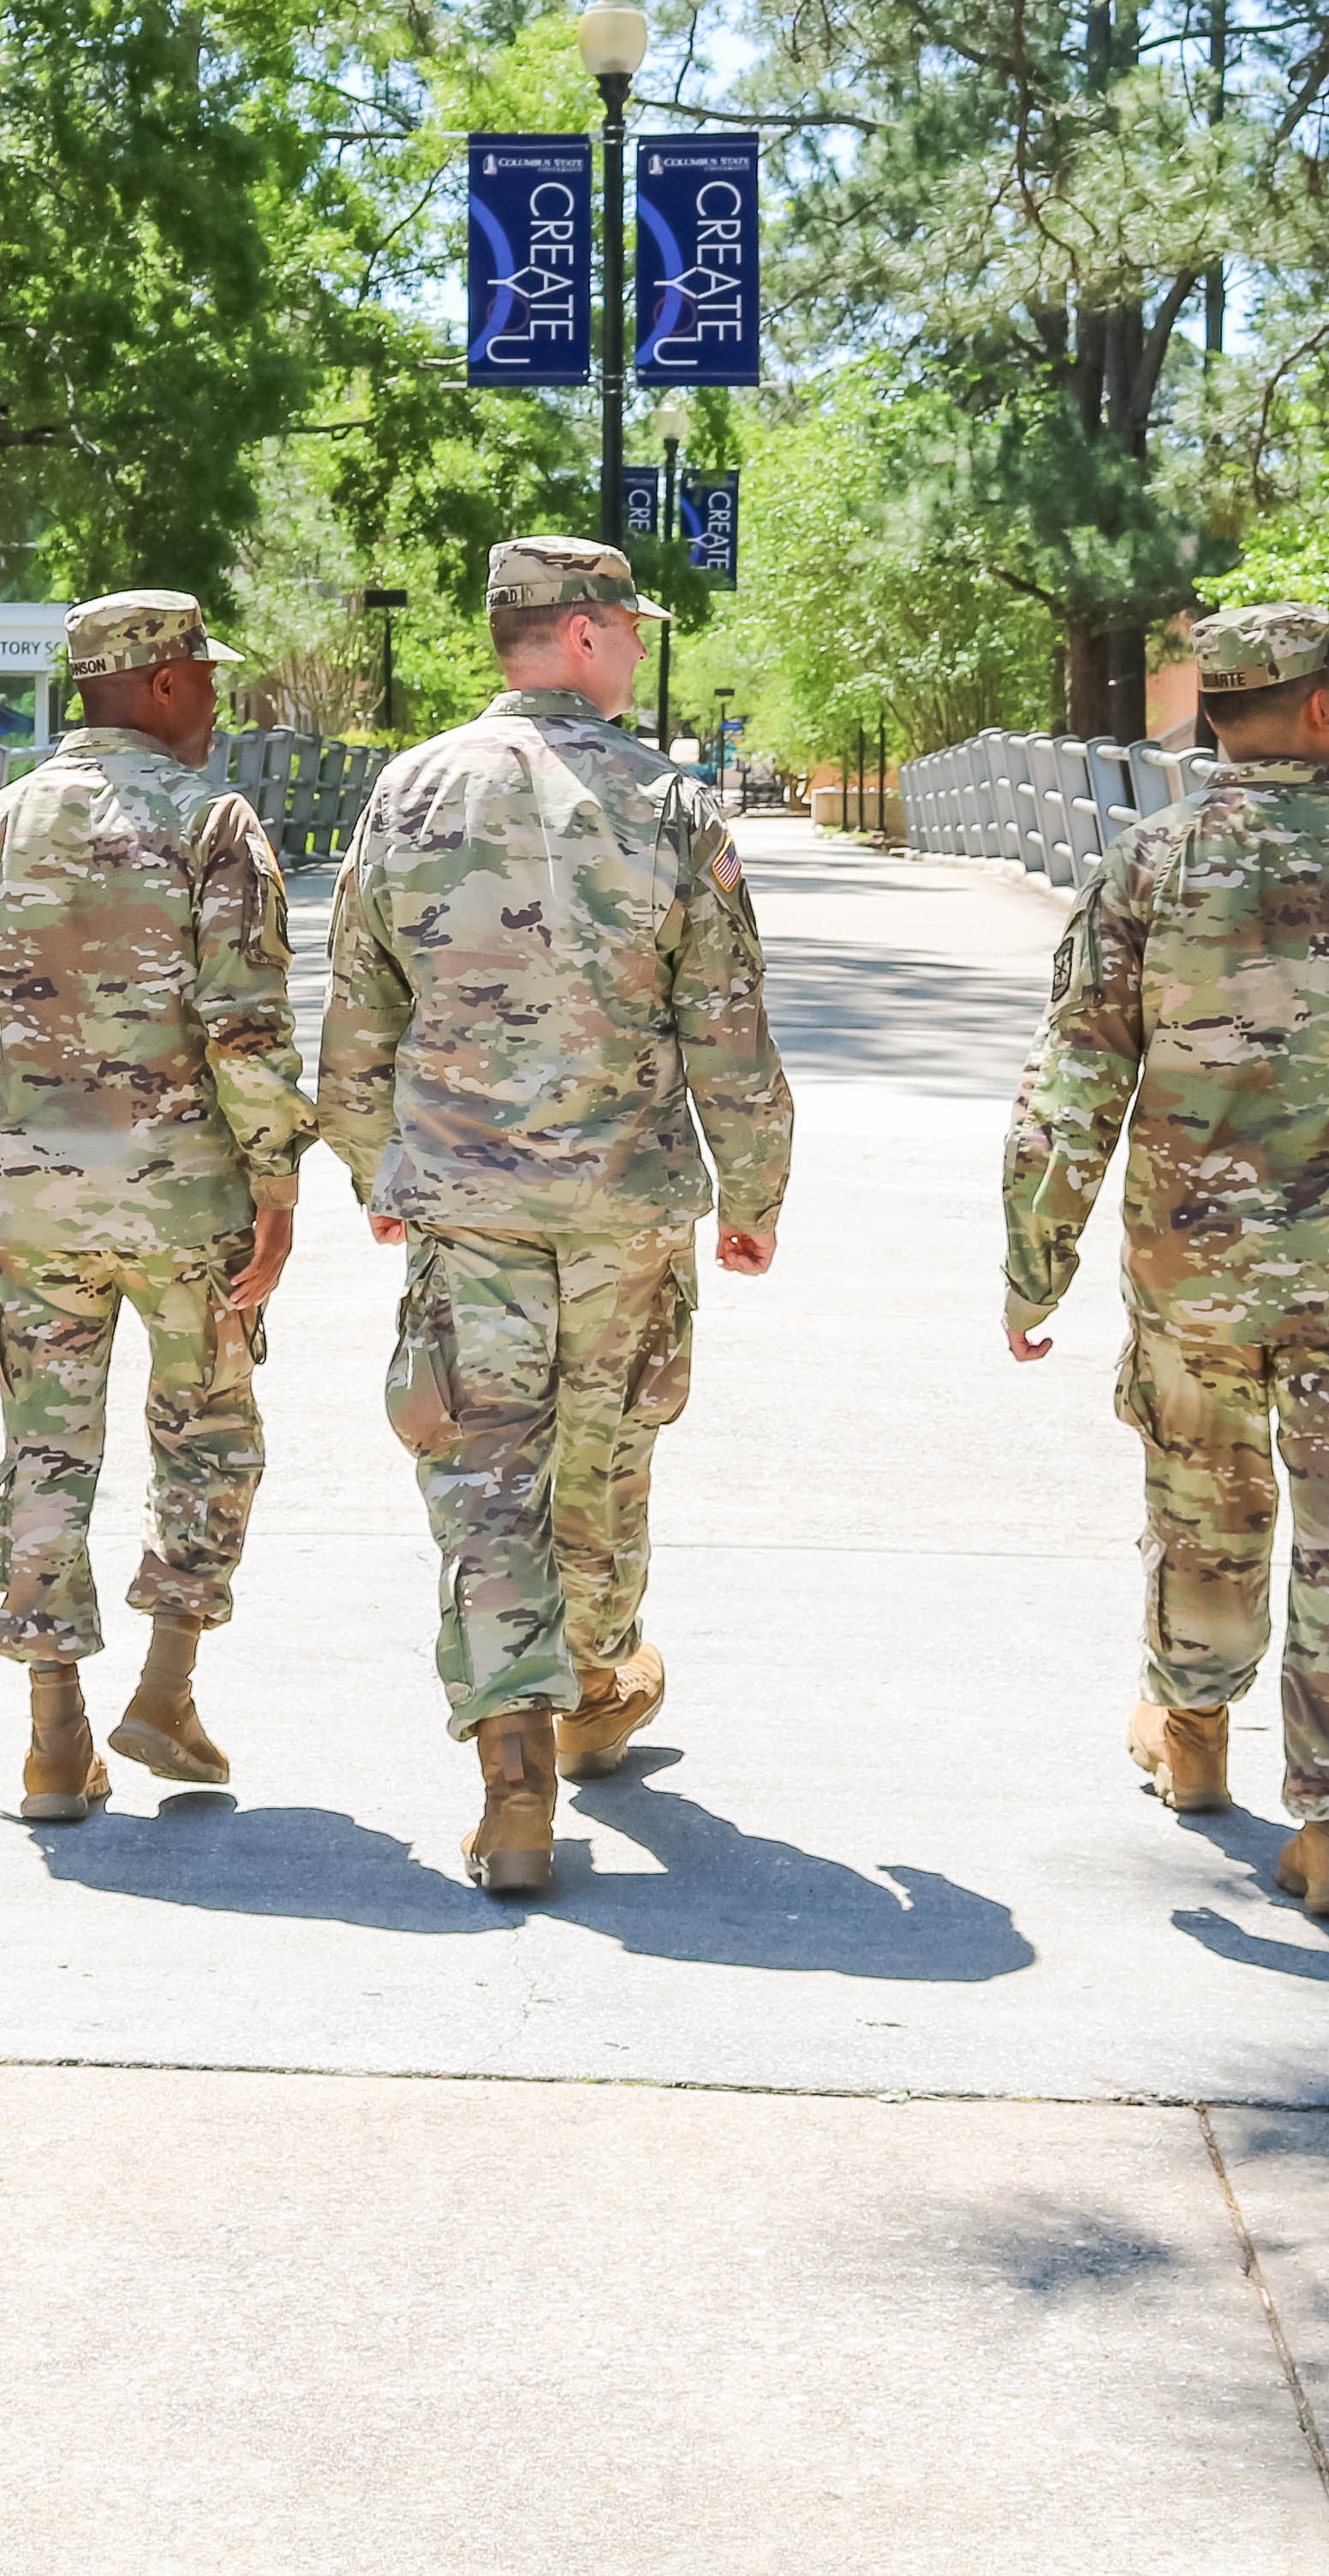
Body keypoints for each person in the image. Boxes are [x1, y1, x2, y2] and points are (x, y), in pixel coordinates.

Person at [1002, 602, 1329, 1923]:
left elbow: (1075, 1077)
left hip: (1196, 1273)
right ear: (1316, 708)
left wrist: (1037, 1257)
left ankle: (1192, 1735)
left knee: (1206, 1502)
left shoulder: (1153, 860)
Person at [317, 536, 795, 1897]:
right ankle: (592, 1676)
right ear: (582, 634)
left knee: (482, 1474)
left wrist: (376, 1171)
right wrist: (754, 1191)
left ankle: (513, 1774)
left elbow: (356, 1018)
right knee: (606, 1450)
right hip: (625, 1204)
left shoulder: (407, 793)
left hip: (466, 1202)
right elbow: (731, 1030)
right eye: (631, 627)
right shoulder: (668, 804)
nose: (640, 647)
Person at [0, 589, 307, 1824]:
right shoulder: (213, 823)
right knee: (208, 1438)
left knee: (45, 1451)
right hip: (188, 1209)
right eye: (206, 678)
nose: (217, 701)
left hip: (35, 1209)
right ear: (162, 681)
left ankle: (56, 1735)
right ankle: (167, 1690)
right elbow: (247, 1027)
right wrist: (276, 1183)